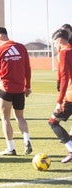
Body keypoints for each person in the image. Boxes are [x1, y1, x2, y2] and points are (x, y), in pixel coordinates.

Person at [0, 27, 32, 156]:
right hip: (20, 89)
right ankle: (27, 140)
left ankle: (10, 148)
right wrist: (28, 86)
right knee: (20, 117)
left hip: (6, 88)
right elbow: (27, 68)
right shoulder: (21, 47)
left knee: (5, 119)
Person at [48, 29, 72, 163]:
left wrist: (59, 100)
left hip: (70, 96)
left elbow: (64, 78)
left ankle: (71, 150)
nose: (55, 46)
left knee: (53, 122)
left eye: (54, 43)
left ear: (59, 40)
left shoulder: (64, 53)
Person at [59, 24, 72, 139]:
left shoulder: (66, 50)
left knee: (53, 122)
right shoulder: (62, 49)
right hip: (66, 85)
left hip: (69, 88)